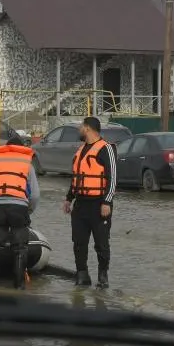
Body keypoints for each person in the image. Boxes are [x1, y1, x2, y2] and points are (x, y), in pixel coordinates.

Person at [62, 117, 117, 289]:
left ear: (87, 128)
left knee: (101, 243)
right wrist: (69, 198)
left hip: (99, 204)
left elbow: (113, 178)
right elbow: (76, 178)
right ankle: (82, 275)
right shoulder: (80, 150)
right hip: (80, 205)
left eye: (81, 126)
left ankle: (103, 276)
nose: (79, 129)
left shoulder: (106, 148)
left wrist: (107, 202)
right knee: (79, 242)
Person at [0, 135, 40, 289]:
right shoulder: (27, 163)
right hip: (19, 207)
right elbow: (35, 195)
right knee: (20, 247)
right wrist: (28, 210)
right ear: (21, 148)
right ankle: (18, 285)